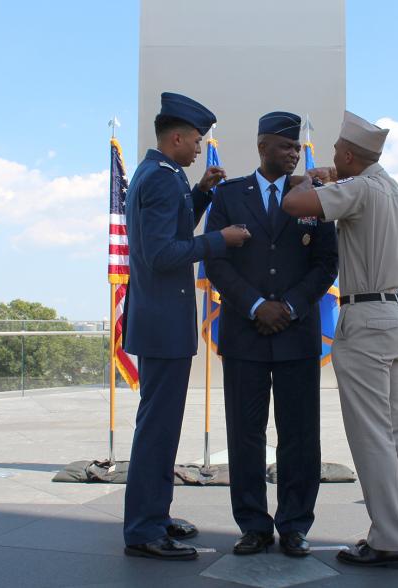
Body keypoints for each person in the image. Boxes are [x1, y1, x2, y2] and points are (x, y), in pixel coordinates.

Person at [282, 110, 398, 569]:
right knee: (397, 431)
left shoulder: (358, 188)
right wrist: (330, 178)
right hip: (396, 312)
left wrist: (310, 181)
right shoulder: (389, 187)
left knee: (371, 436)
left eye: (337, 154)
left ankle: (387, 538)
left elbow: (295, 206)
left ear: (346, 154)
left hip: (365, 317)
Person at [122, 92, 250, 560]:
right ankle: (143, 529)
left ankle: (154, 514)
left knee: (161, 426)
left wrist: (198, 193)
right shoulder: (158, 180)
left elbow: (173, 231)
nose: (200, 149)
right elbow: (161, 255)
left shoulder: (165, 175)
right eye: (196, 141)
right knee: (157, 429)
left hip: (161, 320)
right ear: (176, 137)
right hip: (162, 323)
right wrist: (219, 240)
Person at [204, 112, 338, 557]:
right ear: (263, 146)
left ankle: (295, 525)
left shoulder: (314, 199)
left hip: (297, 335)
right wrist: (258, 305)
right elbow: (217, 261)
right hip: (246, 333)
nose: (294, 153)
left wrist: (293, 305)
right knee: (246, 434)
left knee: (300, 435)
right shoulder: (228, 196)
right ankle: (254, 525)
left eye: (297, 147)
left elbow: (326, 263)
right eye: (286, 146)